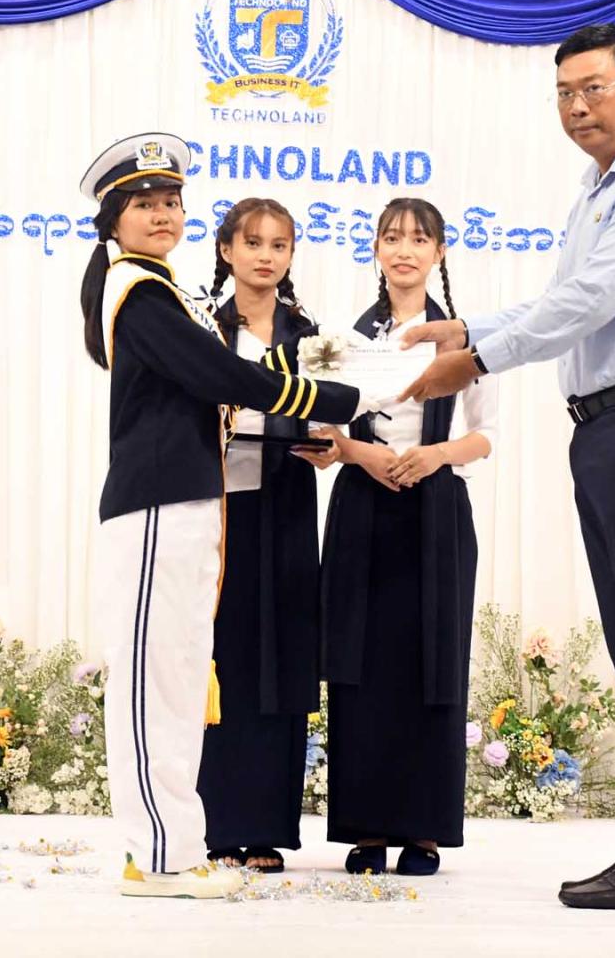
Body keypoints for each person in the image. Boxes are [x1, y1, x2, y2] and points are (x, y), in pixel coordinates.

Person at [399, 24, 615, 909]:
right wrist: (470, 330)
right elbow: (563, 301)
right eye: (563, 93)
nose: (577, 106)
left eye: (593, 87)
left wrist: (475, 361)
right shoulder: (598, 188)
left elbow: (591, 300)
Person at [78, 134, 371, 899]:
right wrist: (337, 397)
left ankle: (174, 848)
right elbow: (218, 374)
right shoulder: (137, 290)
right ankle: (157, 857)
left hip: (186, 502)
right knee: (154, 683)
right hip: (155, 502)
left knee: (177, 676)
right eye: (145, 203)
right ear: (114, 216)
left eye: (172, 202)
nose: (163, 214)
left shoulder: (158, 287)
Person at [300, 198, 496, 876]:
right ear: (376, 250)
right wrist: (361, 456)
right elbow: (326, 429)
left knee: (431, 663)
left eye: (419, 238)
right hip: (362, 502)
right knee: (358, 662)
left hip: (437, 508)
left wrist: (434, 455)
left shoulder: (461, 341)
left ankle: (424, 830)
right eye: (392, 238)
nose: (404, 250)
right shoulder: (344, 339)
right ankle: (366, 829)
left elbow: (486, 435)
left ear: (439, 252)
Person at [195, 198, 323, 873]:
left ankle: (268, 827)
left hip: (288, 504)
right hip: (215, 511)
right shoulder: (203, 329)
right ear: (227, 251)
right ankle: (217, 825)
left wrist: (331, 442)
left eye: (279, 244)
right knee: (222, 655)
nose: (266, 256)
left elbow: (332, 418)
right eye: (253, 243)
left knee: (282, 658)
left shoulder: (310, 336)